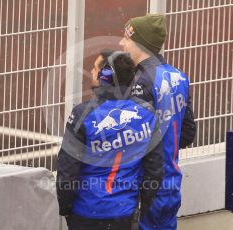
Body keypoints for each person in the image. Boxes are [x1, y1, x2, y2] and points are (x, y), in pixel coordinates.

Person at [56, 50, 165, 230]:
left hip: (86, 213)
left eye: (95, 69)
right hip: (125, 213)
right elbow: (155, 170)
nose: (91, 72)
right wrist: (142, 207)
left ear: (105, 77)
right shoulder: (147, 113)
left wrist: (65, 208)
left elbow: (68, 170)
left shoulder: (82, 115)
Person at [119, 14, 196, 230]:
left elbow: (132, 141)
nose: (121, 43)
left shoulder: (140, 81)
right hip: (171, 182)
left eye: (126, 38)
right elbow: (188, 133)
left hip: (145, 184)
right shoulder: (179, 76)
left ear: (140, 44)